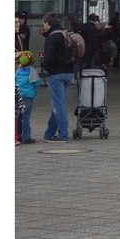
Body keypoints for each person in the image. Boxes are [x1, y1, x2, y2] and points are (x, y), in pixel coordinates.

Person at [40, 11, 76, 141]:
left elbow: (49, 59)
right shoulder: (65, 34)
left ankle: (63, 135)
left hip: (56, 74)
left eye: (43, 23)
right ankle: (49, 133)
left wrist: (45, 67)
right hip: (69, 73)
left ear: (48, 23)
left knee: (59, 106)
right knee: (58, 104)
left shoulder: (51, 38)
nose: (43, 26)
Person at [15, 50, 39, 143]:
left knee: (18, 116)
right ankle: (26, 137)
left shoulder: (18, 71)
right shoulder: (32, 71)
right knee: (26, 117)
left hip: (18, 96)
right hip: (28, 97)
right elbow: (36, 83)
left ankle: (18, 135)